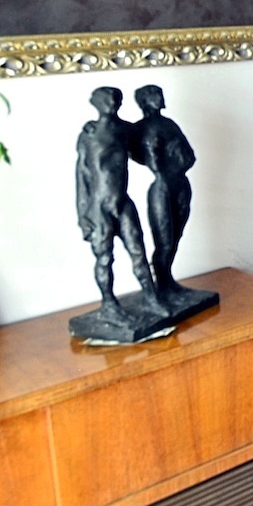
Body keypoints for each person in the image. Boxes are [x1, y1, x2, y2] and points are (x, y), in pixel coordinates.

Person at [76, 87, 162, 325]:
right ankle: (109, 304)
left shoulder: (126, 130)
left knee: (138, 252)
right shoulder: (89, 135)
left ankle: (151, 297)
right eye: (107, 99)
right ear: (96, 103)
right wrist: (83, 216)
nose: (113, 102)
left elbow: (146, 141)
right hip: (99, 207)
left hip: (122, 203)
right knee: (104, 258)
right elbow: (82, 176)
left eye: (116, 98)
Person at [130, 84, 196, 308]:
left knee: (176, 236)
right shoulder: (137, 129)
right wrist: (155, 154)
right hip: (162, 187)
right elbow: (135, 153)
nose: (159, 98)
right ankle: (162, 285)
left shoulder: (169, 124)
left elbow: (191, 156)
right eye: (154, 95)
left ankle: (168, 282)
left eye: (159, 94)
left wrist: (177, 154)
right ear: (144, 101)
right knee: (164, 240)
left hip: (180, 183)